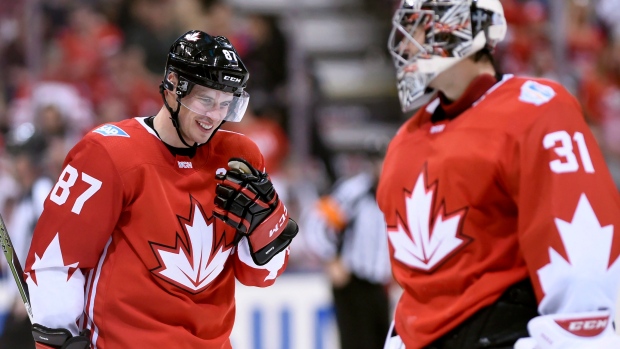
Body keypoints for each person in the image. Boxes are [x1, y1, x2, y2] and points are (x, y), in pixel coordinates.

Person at [23, 30, 299, 349]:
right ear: (173, 87)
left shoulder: (240, 158)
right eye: (205, 100)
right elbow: (57, 257)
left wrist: (267, 229)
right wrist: (58, 333)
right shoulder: (108, 152)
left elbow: (260, 277)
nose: (215, 116)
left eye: (225, 104)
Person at [380, 1, 620, 349]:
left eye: (418, 26)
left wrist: (579, 333)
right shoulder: (405, 143)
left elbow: (582, 239)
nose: (406, 43)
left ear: (462, 26)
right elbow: (417, 283)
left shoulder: (535, 109)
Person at [301, 140, 393, 349]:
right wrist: (330, 258)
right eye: (380, 161)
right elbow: (316, 221)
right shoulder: (355, 191)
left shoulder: (400, 191)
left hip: (382, 285)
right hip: (354, 283)